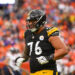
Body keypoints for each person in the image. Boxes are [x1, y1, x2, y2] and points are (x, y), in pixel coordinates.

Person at [15, 9, 69, 75]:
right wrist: (22, 58)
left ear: (41, 21)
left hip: (48, 72)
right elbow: (27, 53)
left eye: (33, 21)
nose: (30, 23)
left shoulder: (48, 32)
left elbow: (64, 50)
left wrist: (48, 58)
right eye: (29, 21)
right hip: (33, 73)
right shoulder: (28, 34)